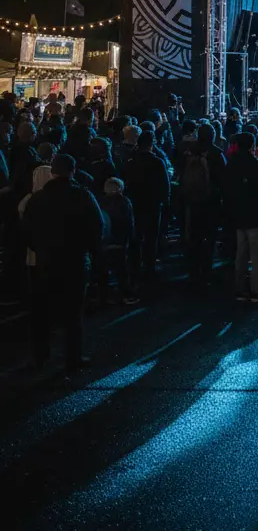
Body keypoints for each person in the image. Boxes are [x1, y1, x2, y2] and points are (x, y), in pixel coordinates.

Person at [22, 155, 104, 371]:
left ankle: (40, 356)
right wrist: (92, 252)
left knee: (41, 310)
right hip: (75, 259)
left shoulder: (37, 199)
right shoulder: (82, 195)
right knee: (73, 311)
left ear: (53, 172)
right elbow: (97, 226)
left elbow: (26, 231)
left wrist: (38, 248)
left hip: (46, 259)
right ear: (73, 170)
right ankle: (73, 357)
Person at [222, 132, 258, 302]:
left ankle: (240, 288)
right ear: (252, 145)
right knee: (257, 256)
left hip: (238, 213)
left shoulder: (231, 163)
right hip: (255, 214)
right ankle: (256, 290)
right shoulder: (255, 164)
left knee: (241, 254)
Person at [179, 123, 226, 283]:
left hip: (191, 199)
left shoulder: (187, 151)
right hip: (210, 200)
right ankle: (206, 270)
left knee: (193, 236)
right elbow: (222, 179)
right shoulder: (217, 153)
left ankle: (192, 270)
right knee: (209, 236)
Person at [121, 130, 170, 281]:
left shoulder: (131, 161)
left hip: (135, 202)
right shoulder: (157, 162)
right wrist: (164, 201)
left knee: (136, 235)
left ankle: (134, 265)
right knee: (151, 236)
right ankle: (149, 266)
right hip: (152, 204)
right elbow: (165, 185)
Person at [98, 177, 138, 305]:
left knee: (104, 269)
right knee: (121, 268)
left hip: (105, 240)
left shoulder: (101, 201)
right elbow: (129, 222)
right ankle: (125, 294)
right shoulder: (124, 202)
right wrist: (131, 239)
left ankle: (104, 295)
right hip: (120, 240)